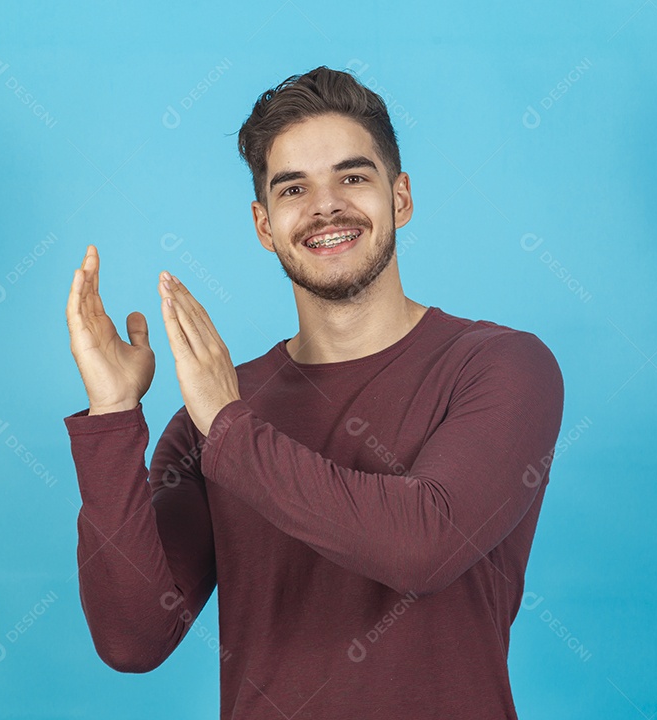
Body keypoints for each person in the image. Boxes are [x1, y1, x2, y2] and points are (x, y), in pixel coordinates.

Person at [63, 65, 565, 719]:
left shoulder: (502, 366)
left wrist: (230, 428)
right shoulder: (213, 412)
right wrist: (112, 415)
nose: (325, 206)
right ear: (264, 225)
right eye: (294, 188)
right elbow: (132, 638)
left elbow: (423, 545)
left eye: (352, 177)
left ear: (401, 198)